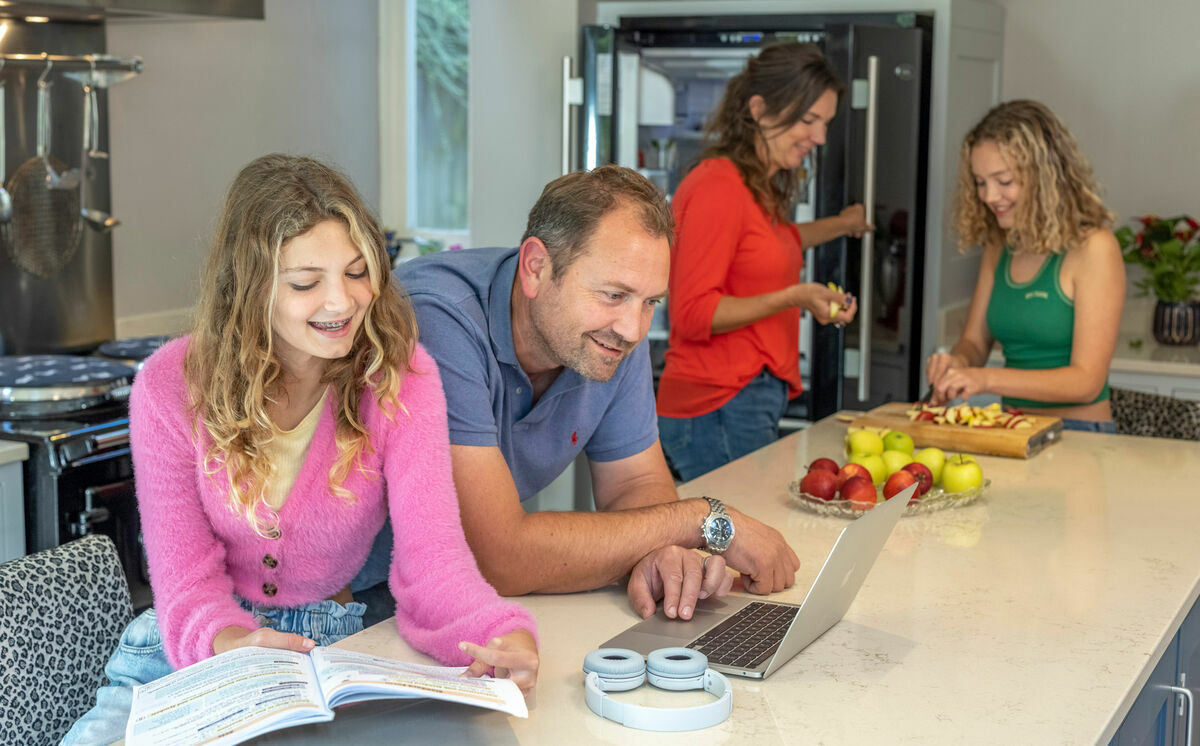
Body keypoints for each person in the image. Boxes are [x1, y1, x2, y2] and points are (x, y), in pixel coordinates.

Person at [63, 154, 538, 745]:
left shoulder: (402, 378)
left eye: (358, 272)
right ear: (250, 286)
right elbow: (185, 582)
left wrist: (500, 631)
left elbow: (433, 562)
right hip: (191, 651)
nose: (341, 303)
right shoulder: (169, 386)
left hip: (328, 654)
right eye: (306, 283)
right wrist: (233, 643)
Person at [365, 165, 799, 624]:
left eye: (651, 302)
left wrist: (662, 555)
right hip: (345, 606)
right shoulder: (436, 320)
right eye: (614, 295)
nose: (633, 330)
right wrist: (700, 521)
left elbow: (635, 485)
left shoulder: (609, 337)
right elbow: (500, 557)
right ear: (536, 268)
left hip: (448, 599)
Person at [655, 42, 869, 482]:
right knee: (740, 549)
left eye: (825, 123)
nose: (820, 138)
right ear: (759, 109)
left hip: (744, 399)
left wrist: (844, 224)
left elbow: (776, 244)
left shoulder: (756, 187)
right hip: (717, 403)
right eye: (808, 120)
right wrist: (796, 297)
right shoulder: (717, 186)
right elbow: (693, 313)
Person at [924, 100, 1125, 432]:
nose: (989, 196)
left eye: (1004, 181)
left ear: (1044, 178)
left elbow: (1087, 381)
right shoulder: (999, 245)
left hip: (1081, 437)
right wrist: (956, 363)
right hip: (1013, 432)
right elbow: (975, 342)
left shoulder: (1094, 248)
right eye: (980, 182)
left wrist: (984, 378)